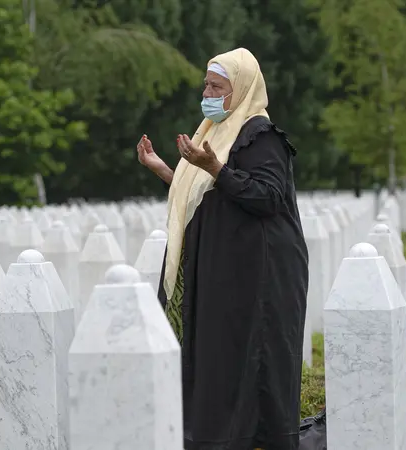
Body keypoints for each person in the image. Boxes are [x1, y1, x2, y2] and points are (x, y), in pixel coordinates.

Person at [136, 48, 309, 450]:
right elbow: (204, 195)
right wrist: (164, 169)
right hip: (226, 268)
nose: (207, 93)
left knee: (250, 352)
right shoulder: (213, 132)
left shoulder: (260, 136)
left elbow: (267, 196)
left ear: (242, 90)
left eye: (217, 86)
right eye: (206, 85)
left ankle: (256, 437)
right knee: (218, 351)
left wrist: (214, 167)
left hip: (259, 273)